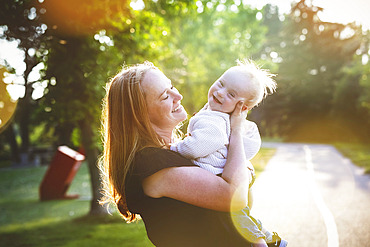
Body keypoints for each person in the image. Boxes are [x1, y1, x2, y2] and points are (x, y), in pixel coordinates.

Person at [100, 61, 258, 247]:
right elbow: (236, 198)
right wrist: (237, 129)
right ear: (140, 114)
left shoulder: (180, 150)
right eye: (165, 96)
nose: (178, 96)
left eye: (172, 86)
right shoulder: (152, 165)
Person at [169, 59, 287, 247]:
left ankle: (259, 242)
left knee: (236, 220)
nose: (220, 92)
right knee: (241, 217)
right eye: (221, 83)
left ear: (242, 108)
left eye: (231, 94)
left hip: (218, 178)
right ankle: (265, 233)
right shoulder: (219, 116)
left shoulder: (215, 121)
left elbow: (196, 147)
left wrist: (175, 147)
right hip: (234, 178)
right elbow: (250, 147)